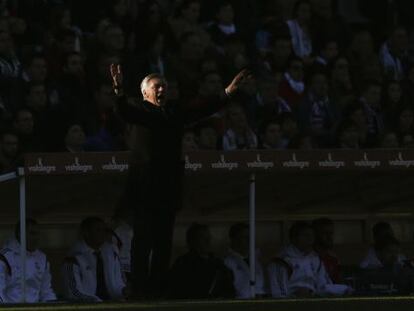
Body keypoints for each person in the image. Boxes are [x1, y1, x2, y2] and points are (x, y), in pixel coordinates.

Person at [109, 63, 251, 298]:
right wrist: (119, 90)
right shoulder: (140, 110)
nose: (162, 89)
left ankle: (156, 290)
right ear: (145, 92)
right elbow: (123, 110)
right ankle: (140, 290)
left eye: (164, 85)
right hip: (144, 190)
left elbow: (202, 109)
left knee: (163, 244)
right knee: (142, 242)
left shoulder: (174, 113)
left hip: (168, 189)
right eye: (156, 86)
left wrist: (228, 91)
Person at [267, 221, 350, 298]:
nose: (310, 239)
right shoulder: (281, 261)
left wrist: (343, 290)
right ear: (294, 239)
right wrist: (296, 296)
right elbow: (279, 295)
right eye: (306, 236)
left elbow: (323, 286)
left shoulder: (314, 258)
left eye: (312, 236)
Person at [62, 217, 127, 302]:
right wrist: (97, 303)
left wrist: (124, 291)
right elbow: (74, 292)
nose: (102, 233)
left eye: (104, 230)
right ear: (86, 233)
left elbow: (118, 284)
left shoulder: (111, 254)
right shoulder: (73, 258)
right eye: (98, 230)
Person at [167, 223, 234, 299]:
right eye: (202, 237)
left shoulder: (217, 263)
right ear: (192, 241)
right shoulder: (183, 263)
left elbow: (228, 289)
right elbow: (176, 290)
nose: (208, 241)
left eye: (208, 237)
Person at [0, 218, 56, 303]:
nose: (36, 237)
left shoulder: (42, 258)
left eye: (38, 234)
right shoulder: (5, 257)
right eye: (32, 233)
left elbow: (46, 291)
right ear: (20, 234)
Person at [224, 223, 266, 299]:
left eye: (250, 237)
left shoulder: (257, 260)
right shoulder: (228, 263)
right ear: (234, 240)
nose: (249, 241)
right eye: (244, 237)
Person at [312, 218, 341, 283]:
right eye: (325, 233)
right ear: (315, 235)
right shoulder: (308, 259)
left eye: (331, 233)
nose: (329, 237)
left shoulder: (333, 259)